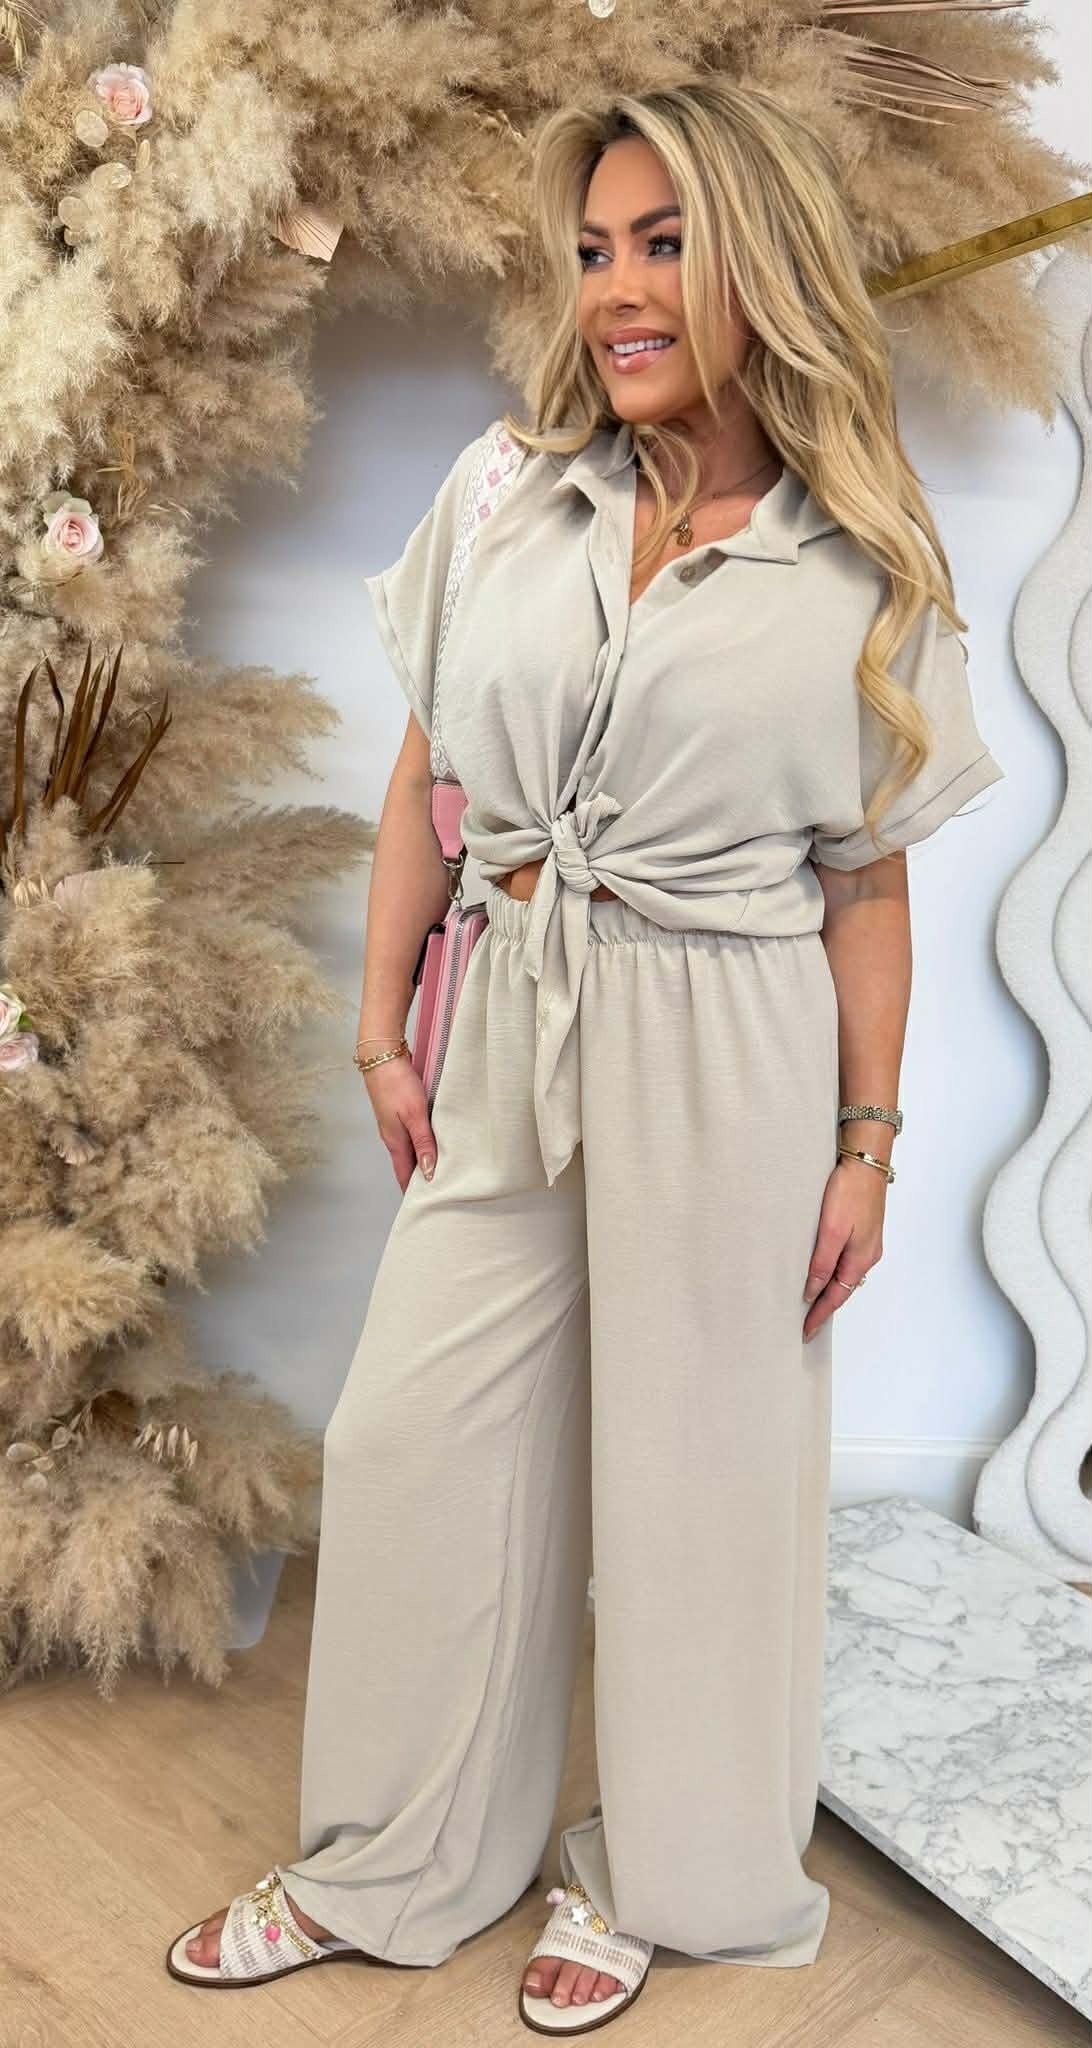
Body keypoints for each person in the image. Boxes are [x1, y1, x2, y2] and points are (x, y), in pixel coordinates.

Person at [167, 79, 1004, 2031]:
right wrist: (383, 1021)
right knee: (414, 1446)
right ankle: (390, 1859)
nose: (619, 289)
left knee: (702, 1476)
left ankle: (663, 1874)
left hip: (732, 1044)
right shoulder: (502, 492)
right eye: (596, 250)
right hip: (512, 1014)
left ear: (761, 264)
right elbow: (425, 773)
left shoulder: (861, 566)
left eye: (665, 244)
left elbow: (866, 888)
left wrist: (866, 1147)